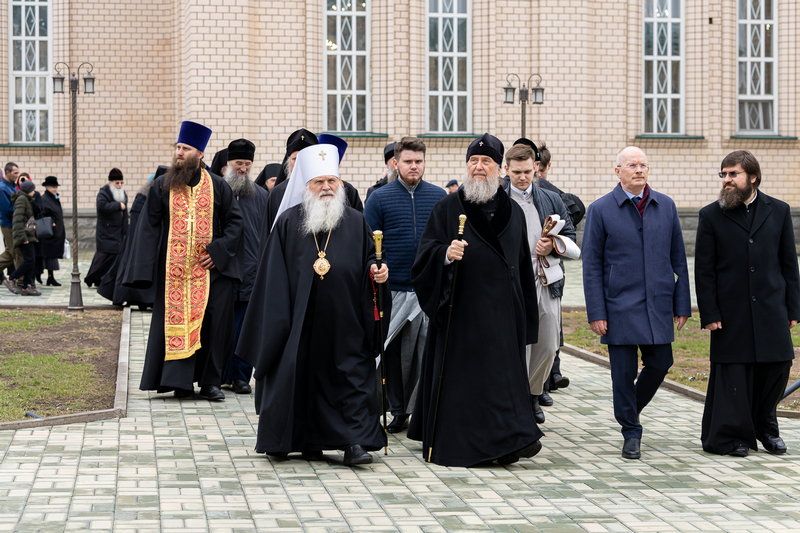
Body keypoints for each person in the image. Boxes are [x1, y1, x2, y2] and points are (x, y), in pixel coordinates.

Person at [237, 142, 389, 465]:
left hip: (345, 320)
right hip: (298, 320)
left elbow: (370, 264)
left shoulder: (356, 222)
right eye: (319, 182)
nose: (326, 187)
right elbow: (273, 277)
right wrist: (279, 323)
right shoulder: (288, 223)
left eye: (332, 181)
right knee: (296, 374)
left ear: (340, 184)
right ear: (307, 186)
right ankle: (293, 439)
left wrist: (378, 274)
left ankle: (354, 443)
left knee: (350, 377)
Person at [409, 133, 543, 467]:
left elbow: (522, 266)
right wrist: (445, 254)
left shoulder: (513, 211)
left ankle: (507, 441)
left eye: (486, 161)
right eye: (473, 161)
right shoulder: (447, 208)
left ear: (499, 169)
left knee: (501, 382)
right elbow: (423, 257)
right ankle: (464, 445)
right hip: (461, 314)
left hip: (502, 316)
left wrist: (526, 317)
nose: (479, 167)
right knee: (465, 385)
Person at [582, 146, 691, 460]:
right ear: (617, 170)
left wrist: (682, 303)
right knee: (622, 374)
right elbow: (591, 265)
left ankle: (628, 409)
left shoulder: (665, 206)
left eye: (643, 165)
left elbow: (678, 258)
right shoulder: (601, 209)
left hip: (657, 303)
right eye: (632, 165)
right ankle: (631, 431)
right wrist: (596, 311)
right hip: (618, 305)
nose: (639, 170)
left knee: (662, 362)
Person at [123, 120, 242, 401]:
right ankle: (180, 382)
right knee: (176, 324)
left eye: (185, 148)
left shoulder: (218, 186)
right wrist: (144, 270)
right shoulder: (162, 185)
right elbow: (148, 227)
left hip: (211, 272)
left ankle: (211, 383)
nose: (179, 152)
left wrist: (218, 252)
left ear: (199, 154)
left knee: (213, 326)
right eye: (177, 147)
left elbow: (235, 223)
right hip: (174, 273)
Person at [696, 150, 800, 457]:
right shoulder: (711, 215)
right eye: (724, 174)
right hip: (731, 311)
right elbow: (704, 270)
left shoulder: (779, 211)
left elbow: (789, 264)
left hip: (771, 307)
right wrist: (709, 312)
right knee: (735, 374)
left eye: (734, 174)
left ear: (753, 177)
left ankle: (766, 428)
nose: (727, 180)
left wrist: (794, 308)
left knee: (778, 366)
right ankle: (732, 436)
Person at [364, 137, 446, 433]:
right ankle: (396, 410)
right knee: (393, 354)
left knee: (425, 355)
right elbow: (368, 242)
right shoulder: (379, 198)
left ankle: (421, 411)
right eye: (408, 161)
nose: (414, 166)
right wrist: (378, 265)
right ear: (395, 163)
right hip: (393, 289)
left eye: (419, 161)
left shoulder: (438, 197)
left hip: (427, 290)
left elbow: (444, 239)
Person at [503, 144, 577, 424]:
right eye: (516, 172)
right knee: (515, 343)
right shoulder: (499, 199)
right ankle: (517, 398)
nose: (523, 177)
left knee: (547, 342)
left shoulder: (550, 199)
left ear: (535, 168)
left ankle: (534, 393)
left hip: (545, 278)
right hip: (511, 282)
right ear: (506, 170)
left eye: (527, 171)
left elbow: (571, 236)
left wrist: (553, 245)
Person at [220, 138, 268, 395]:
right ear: (229, 163)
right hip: (221, 272)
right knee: (221, 327)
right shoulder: (218, 191)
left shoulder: (260, 195)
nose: (243, 168)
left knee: (245, 329)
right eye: (239, 163)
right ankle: (219, 375)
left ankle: (240, 377)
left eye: (248, 164)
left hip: (250, 272)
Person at [264, 129, 363, 236]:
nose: (299, 164)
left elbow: (358, 228)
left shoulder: (345, 190)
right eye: (295, 159)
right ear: (287, 162)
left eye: (305, 159)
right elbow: (269, 234)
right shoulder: (277, 193)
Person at [85, 168, 128, 288]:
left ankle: (102, 280)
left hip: (118, 232)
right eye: (117, 183)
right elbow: (102, 206)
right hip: (106, 232)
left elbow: (125, 213)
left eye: (121, 182)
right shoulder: (103, 193)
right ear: (111, 182)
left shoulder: (122, 193)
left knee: (112, 258)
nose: (120, 185)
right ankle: (91, 278)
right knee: (102, 258)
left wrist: (126, 230)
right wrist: (118, 205)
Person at [4, 180, 40, 295]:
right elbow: (17, 220)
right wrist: (23, 238)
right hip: (24, 236)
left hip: (29, 235)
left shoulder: (27, 199)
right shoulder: (21, 199)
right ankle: (11, 279)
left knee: (31, 261)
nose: (34, 192)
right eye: (33, 189)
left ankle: (26, 287)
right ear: (29, 190)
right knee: (29, 261)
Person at [39, 176, 65, 286]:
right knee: (49, 255)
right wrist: (52, 222)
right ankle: (46, 277)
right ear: (46, 187)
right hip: (49, 232)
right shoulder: (44, 199)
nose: (55, 189)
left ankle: (50, 277)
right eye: (52, 187)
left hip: (55, 231)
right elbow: (42, 214)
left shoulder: (54, 198)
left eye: (55, 187)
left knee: (51, 255)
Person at [0, 162, 21, 281]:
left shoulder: (12, 186)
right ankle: (21, 281)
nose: (17, 175)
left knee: (12, 252)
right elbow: (7, 209)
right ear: (7, 172)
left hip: (15, 223)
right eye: (15, 173)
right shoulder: (2, 188)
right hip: (8, 224)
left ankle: (21, 280)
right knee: (15, 252)